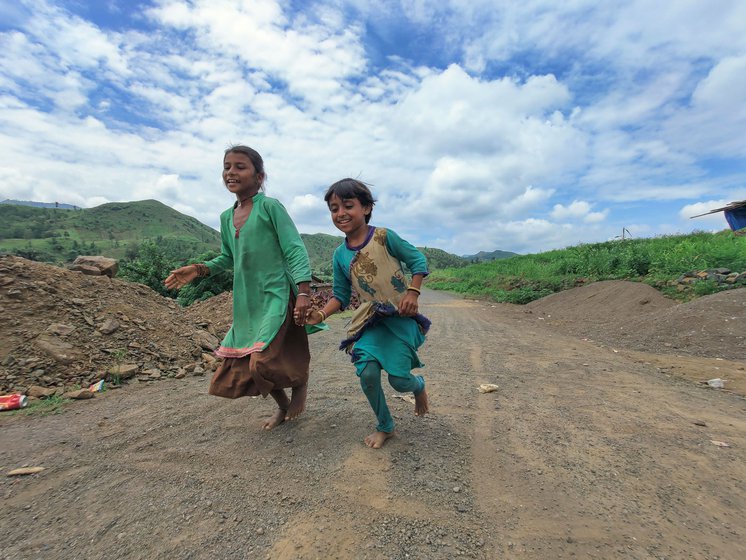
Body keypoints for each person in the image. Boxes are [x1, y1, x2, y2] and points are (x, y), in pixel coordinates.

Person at [165, 145, 315, 430]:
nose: (231, 172)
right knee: (247, 362)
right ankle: (283, 405)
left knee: (263, 359)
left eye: (240, 166)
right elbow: (227, 258)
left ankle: (301, 385)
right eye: (227, 166)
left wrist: (304, 293)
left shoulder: (270, 207)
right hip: (247, 302)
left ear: (259, 177)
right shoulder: (225, 217)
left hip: (275, 293)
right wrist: (197, 270)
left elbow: (294, 249)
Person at [306, 178, 430, 449]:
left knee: (399, 381)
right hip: (369, 322)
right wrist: (320, 315)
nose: (340, 213)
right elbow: (339, 295)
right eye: (333, 208)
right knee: (368, 373)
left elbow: (418, 261)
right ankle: (385, 426)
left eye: (348, 205)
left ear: (366, 208)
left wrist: (412, 292)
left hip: (399, 319)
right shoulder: (339, 255)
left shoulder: (385, 237)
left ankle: (417, 385)